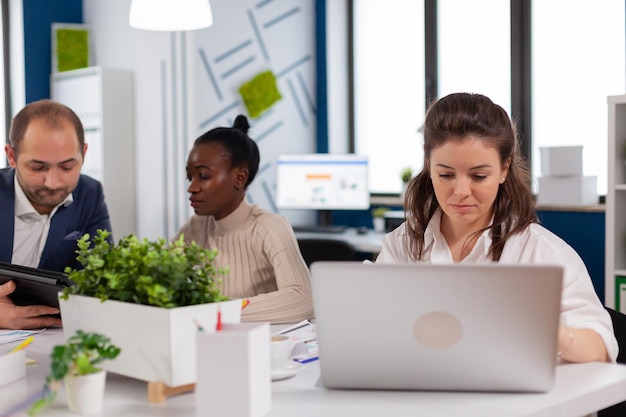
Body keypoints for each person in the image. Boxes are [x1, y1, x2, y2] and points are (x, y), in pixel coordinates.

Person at [376, 92, 618, 363]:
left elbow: (600, 347)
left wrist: (545, 330)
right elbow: (370, 323)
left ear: (504, 169)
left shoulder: (544, 253)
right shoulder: (401, 245)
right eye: (446, 175)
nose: (461, 191)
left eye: (479, 176)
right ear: (429, 165)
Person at [173, 115, 313, 324]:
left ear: (239, 178)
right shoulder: (194, 229)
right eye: (190, 177)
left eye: (203, 176)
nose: (191, 187)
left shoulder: (268, 227)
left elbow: (303, 299)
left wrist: (216, 311)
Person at [0, 99, 112, 329]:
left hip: (51, 334)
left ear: (84, 153)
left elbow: (101, 276)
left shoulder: (90, 194)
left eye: (67, 167)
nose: (53, 183)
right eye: (37, 167)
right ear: (11, 156)